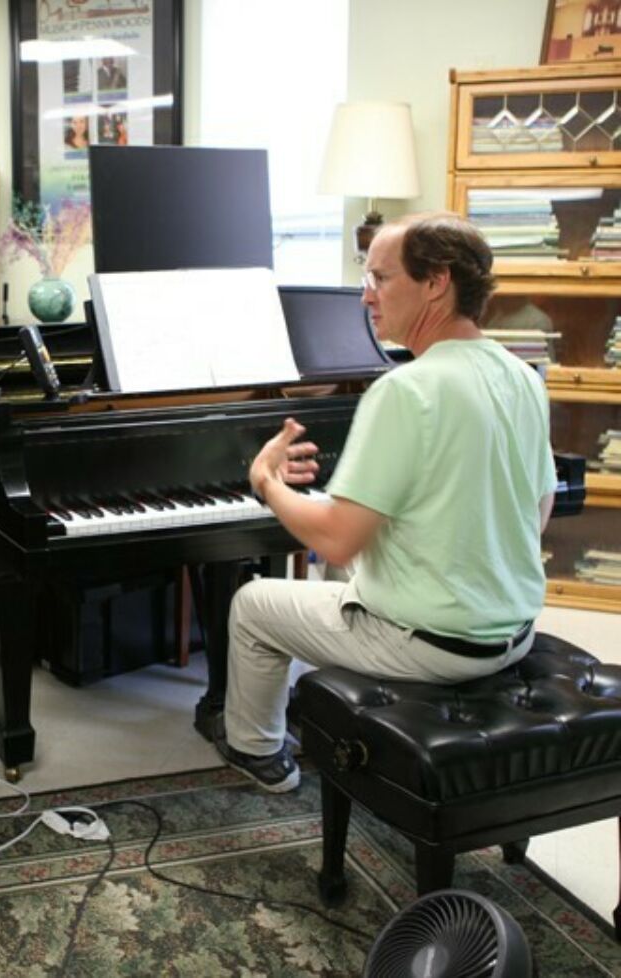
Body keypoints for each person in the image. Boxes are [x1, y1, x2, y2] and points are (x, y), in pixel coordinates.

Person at [216, 214, 556, 793]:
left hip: (437, 646)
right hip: (513, 631)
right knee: (347, 568)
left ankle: (258, 753)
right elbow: (537, 509)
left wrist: (268, 482)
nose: (366, 296)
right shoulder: (522, 375)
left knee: (253, 604)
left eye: (381, 278)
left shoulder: (404, 389)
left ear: (436, 282)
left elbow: (335, 538)